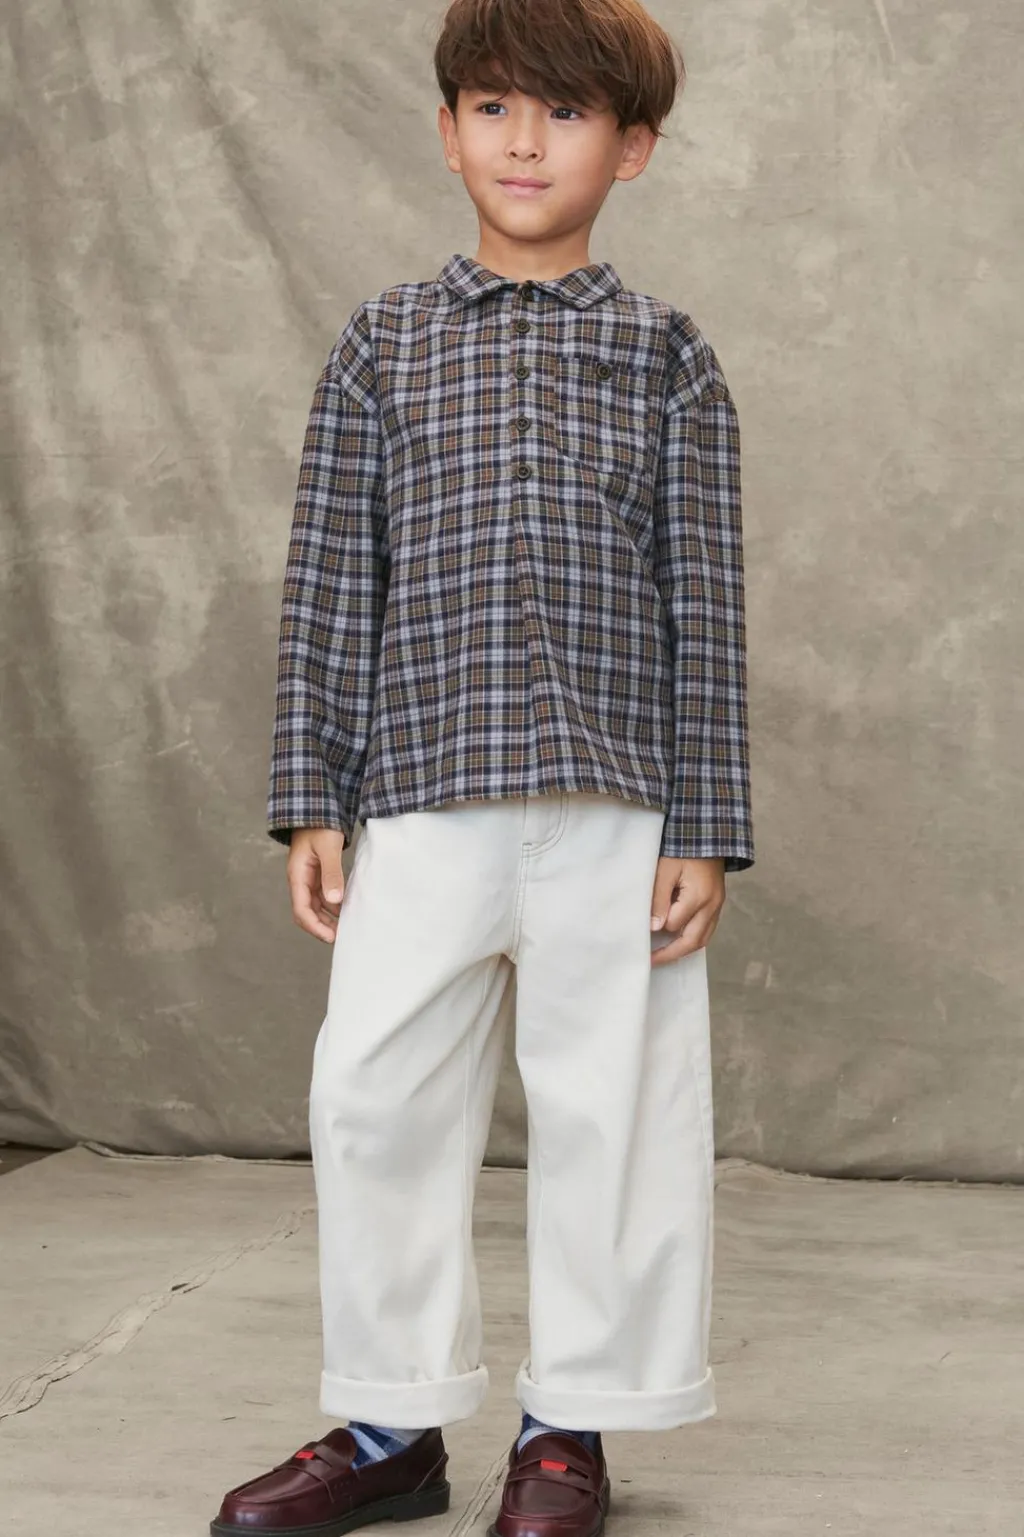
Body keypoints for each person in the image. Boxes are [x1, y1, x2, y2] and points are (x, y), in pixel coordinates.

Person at [211, 1, 754, 1534]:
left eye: (568, 113)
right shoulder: (383, 345)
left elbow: (705, 599)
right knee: (374, 1096)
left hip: (615, 805)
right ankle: (390, 1424)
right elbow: (333, 581)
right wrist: (312, 797)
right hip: (421, 795)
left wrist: (705, 824)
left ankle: (570, 1427)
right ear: (448, 129)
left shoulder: (666, 357)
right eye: (497, 107)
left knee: (611, 1114)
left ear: (631, 149)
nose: (527, 142)